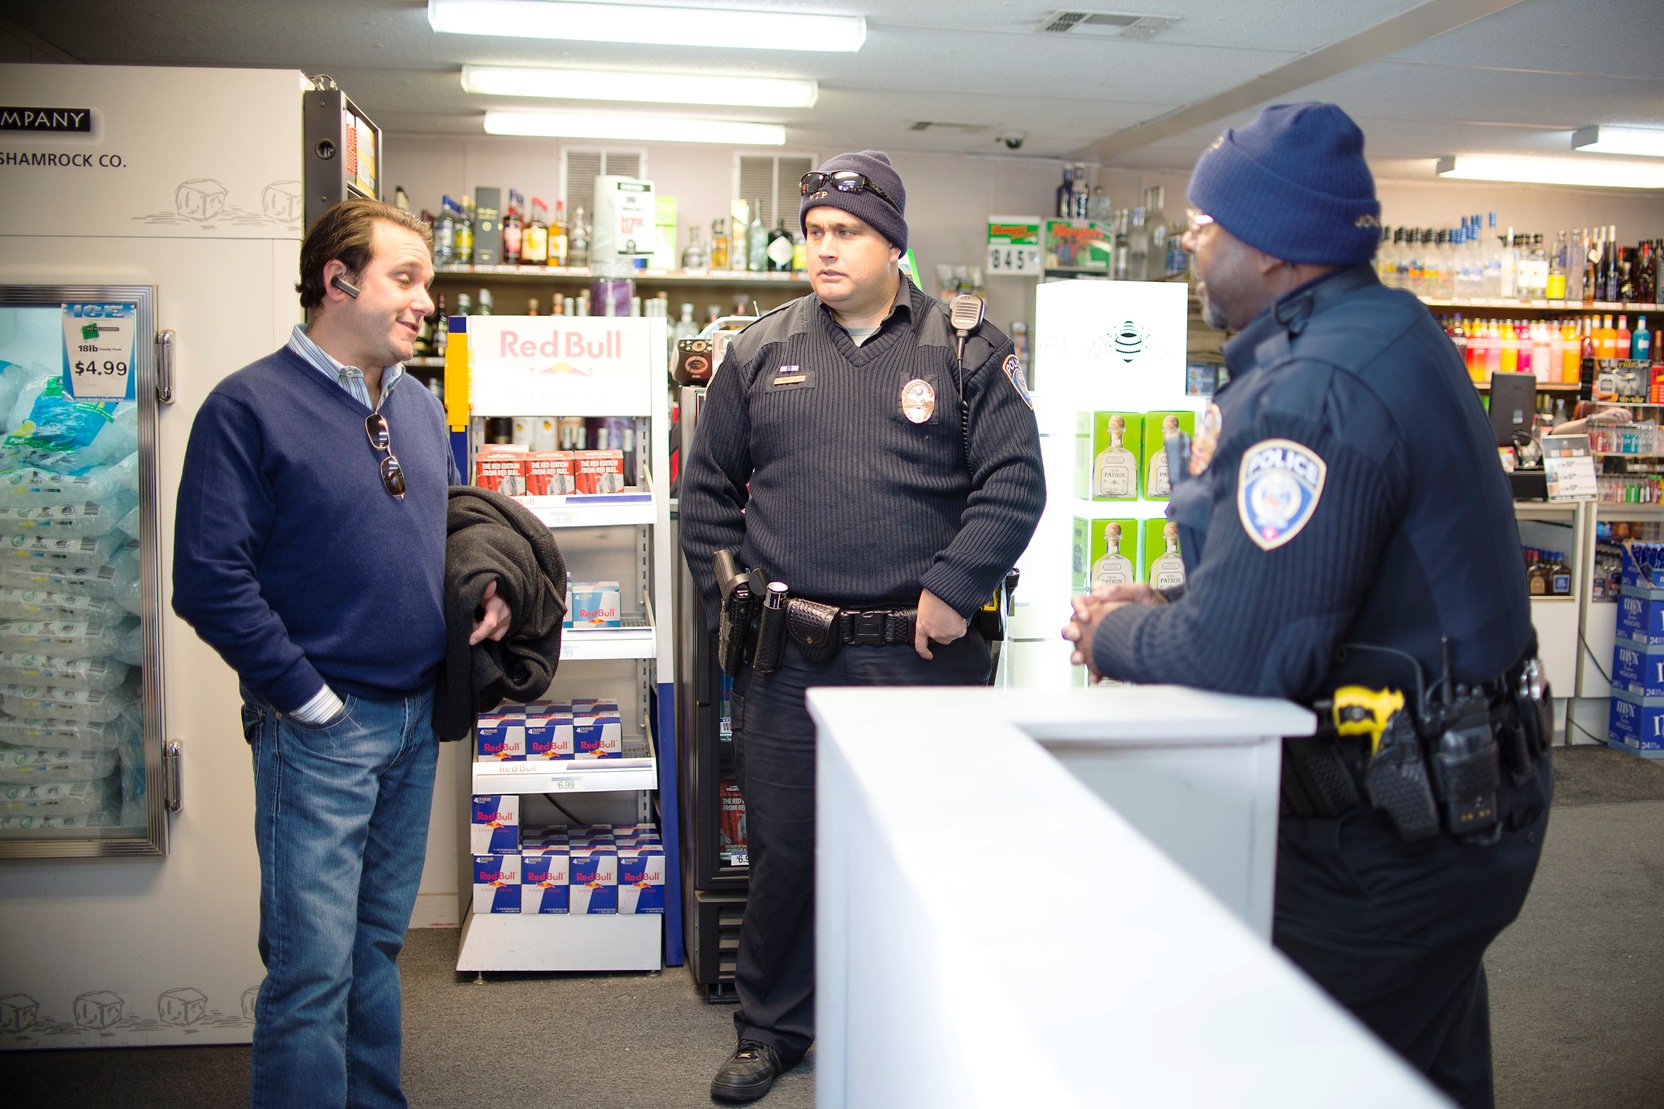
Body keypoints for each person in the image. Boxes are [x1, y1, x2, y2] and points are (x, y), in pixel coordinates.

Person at [1061, 103, 1552, 1109]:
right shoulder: (1385, 332)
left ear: (1273, 247)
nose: (1189, 246)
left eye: (1202, 226)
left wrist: (1110, 628)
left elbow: (1242, 656)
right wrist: (1171, 593)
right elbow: (1329, 581)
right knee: (1424, 1068)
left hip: (1386, 845)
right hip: (1458, 811)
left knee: (1300, 1072)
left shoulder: (1310, 390)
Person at [681, 150, 1045, 1103]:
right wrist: (733, 605)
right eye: (814, 232)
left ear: (894, 242)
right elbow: (708, 497)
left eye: (846, 232)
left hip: (918, 655)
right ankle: (771, 1031)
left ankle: (915, 1021)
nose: (825, 249)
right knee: (785, 852)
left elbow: (1014, 485)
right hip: (788, 656)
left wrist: (955, 585)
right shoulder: (760, 351)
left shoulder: (965, 349)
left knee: (918, 851)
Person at [173, 198, 508, 1108]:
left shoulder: (417, 401)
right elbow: (208, 579)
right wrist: (307, 698)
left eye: (427, 284)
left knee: (374, 954)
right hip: (321, 729)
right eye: (406, 280)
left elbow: (446, 530)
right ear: (337, 281)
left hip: (411, 725)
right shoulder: (248, 407)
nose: (425, 303)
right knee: (310, 972)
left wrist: (485, 589)